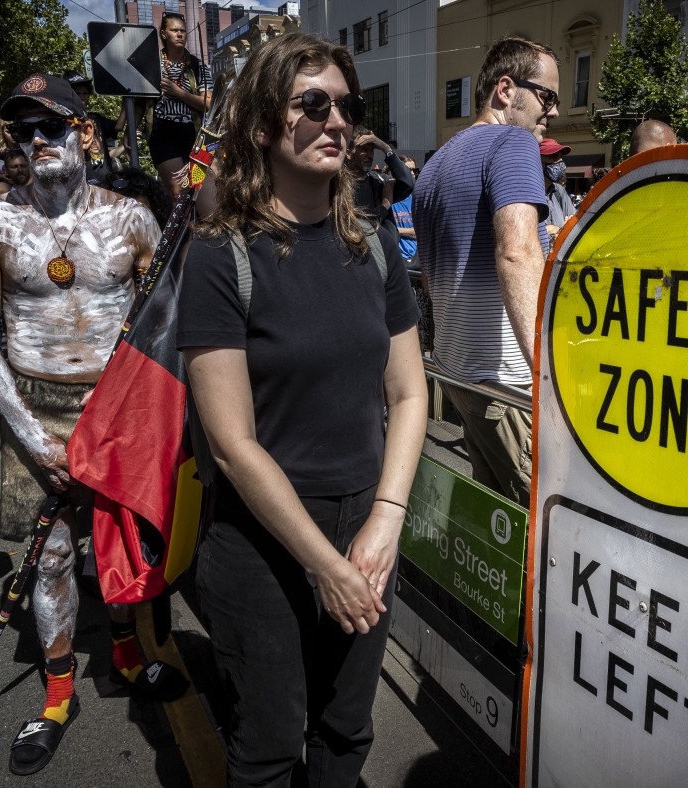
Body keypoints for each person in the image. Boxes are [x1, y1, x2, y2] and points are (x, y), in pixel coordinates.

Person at [177, 32, 427, 786]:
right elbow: (230, 446)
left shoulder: (375, 244)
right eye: (312, 103)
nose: (336, 121)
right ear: (262, 125)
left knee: (347, 731)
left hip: (367, 530)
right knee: (270, 746)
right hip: (263, 544)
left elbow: (410, 392)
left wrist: (385, 519)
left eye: (346, 106)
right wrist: (323, 565)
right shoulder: (223, 256)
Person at [0, 73, 180, 776]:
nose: (36, 142)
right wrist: (32, 437)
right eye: (24, 132)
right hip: (36, 404)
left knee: (118, 546)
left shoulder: (133, 220)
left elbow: (164, 321)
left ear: (84, 133)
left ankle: (122, 651)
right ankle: (58, 694)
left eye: (50, 127)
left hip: (117, 407)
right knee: (54, 555)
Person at [413, 35, 559, 505]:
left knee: (496, 532)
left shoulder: (433, 168)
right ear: (505, 89)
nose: (552, 112)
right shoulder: (513, 143)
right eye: (547, 96)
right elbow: (516, 253)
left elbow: (433, 283)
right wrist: (549, 376)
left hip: (460, 378)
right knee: (541, 528)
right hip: (509, 386)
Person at [150, 12, 212, 196]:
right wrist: (128, 133)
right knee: (177, 190)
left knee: (197, 186)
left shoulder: (198, 66)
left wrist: (180, 94)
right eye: (174, 30)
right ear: (163, 34)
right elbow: (138, 101)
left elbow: (209, 103)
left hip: (193, 134)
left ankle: (196, 224)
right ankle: (179, 225)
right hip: (162, 132)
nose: (179, 34)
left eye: (183, 31)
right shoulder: (152, 64)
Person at [348, 126, 414, 234]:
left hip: (387, 249)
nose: (370, 155)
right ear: (349, 153)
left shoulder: (379, 181)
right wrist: (384, 206)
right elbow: (361, 225)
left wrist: (386, 148)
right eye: (364, 150)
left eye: (372, 150)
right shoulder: (341, 187)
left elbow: (408, 184)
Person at [539, 137, 575, 236]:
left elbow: (574, 224)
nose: (560, 161)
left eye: (561, 156)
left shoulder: (559, 190)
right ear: (536, 161)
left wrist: (556, 230)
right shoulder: (526, 193)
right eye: (553, 156)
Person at [390, 155, 418, 262]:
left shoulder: (416, 198)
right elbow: (387, 229)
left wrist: (398, 230)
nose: (411, 173)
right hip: (397, 258)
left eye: (413, 170)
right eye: (408, 170)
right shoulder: (389, 197)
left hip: (415, 257)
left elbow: (419, 230)